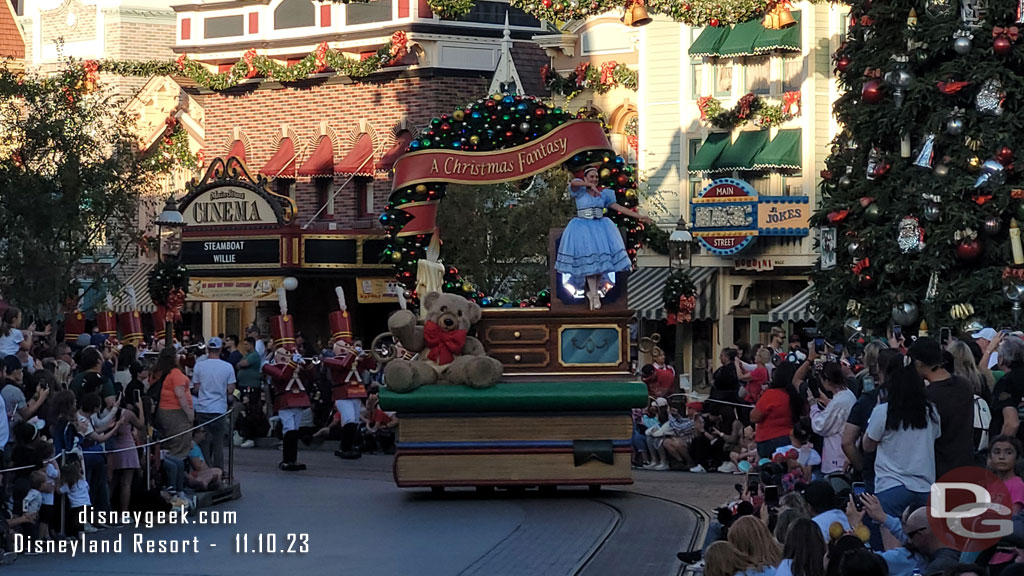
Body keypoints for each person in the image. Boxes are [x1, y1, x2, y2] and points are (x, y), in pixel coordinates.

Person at [555, 166, 652, 310]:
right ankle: (594, 294)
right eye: (591, 177)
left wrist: (639, 216)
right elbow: (574, 183)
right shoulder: (580, 191)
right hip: (582, 228)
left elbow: (619, 208)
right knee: (589, 264)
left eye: (596, 177)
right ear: (586, 178)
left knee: (601, 266)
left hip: (601, 228)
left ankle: (593, 293)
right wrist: (587, 185)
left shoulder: (604, 194)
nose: (594, 179)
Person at [863, 362, 941, 521]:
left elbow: (868, 446)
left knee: (890, 541)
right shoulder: (931, 412)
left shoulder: (883, 411)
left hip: (891, 485)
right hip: (924, 487)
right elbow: (936, 437)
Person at [908, 337, 974, 478]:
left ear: (918, 364)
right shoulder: (965, 385)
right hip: (966, 465)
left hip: (939, 469)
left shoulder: (928, 396)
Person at [844, 348, 903, 491]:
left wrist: (862, 467)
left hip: (877, 473)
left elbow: (847, 441)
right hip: (911, 472)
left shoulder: (868, 400)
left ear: (877, 368)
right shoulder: (917, 400)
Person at [191, 337, 235, 471]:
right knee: (218, 443)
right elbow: (231, 389)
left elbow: (196, 388)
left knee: (204, 442)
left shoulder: (199, 366)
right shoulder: (227, 367)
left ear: (207, 349)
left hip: (203, 407)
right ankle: (219, 470)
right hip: (219, 408)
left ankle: (206, 469)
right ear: (220, 349)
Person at [809, 360, 857, 475]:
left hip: (837, 459)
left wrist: (813, 406)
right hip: (841, 456)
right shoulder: (847, 394)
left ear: (826, 380)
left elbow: (820, 426)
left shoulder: (840, 401)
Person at [752, 362, 804, 458]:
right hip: (792, 440)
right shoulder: (797, 396)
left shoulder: (771, 394)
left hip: (768, 442)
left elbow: (754, 417)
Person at [152, 347, 194, 459]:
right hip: (175, 412)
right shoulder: (175, 373)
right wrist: (189, 413)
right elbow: (180, 394)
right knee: (179, 443)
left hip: (165, 411)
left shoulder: (160, 372)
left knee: (171, 442)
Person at [108, 394, 145, 514]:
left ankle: (106, 510)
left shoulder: (107, 414)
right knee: (126, 483)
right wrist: (141, 408)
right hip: (128, 447)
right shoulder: (128, 414)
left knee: (112, 481)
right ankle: (124, 512)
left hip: (114, 447)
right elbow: (140, 425)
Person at [901, 508, 960, 576]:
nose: (910, 541)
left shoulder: (938, 567)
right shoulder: (964, 554)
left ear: (921, 533)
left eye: (911, 536)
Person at [991, 335, 1024, 439]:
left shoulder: (1006, 382)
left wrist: (1001, 449)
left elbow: (1012, 423)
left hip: (1017, 446)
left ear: (1001, 359)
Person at [2, 355, 47, 423]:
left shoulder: (6, 387)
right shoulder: (13, 391)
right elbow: (25, 414)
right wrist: (41, 399)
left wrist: (37, 394)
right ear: (16, 372)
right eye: (21, 371)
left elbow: (24, 407)